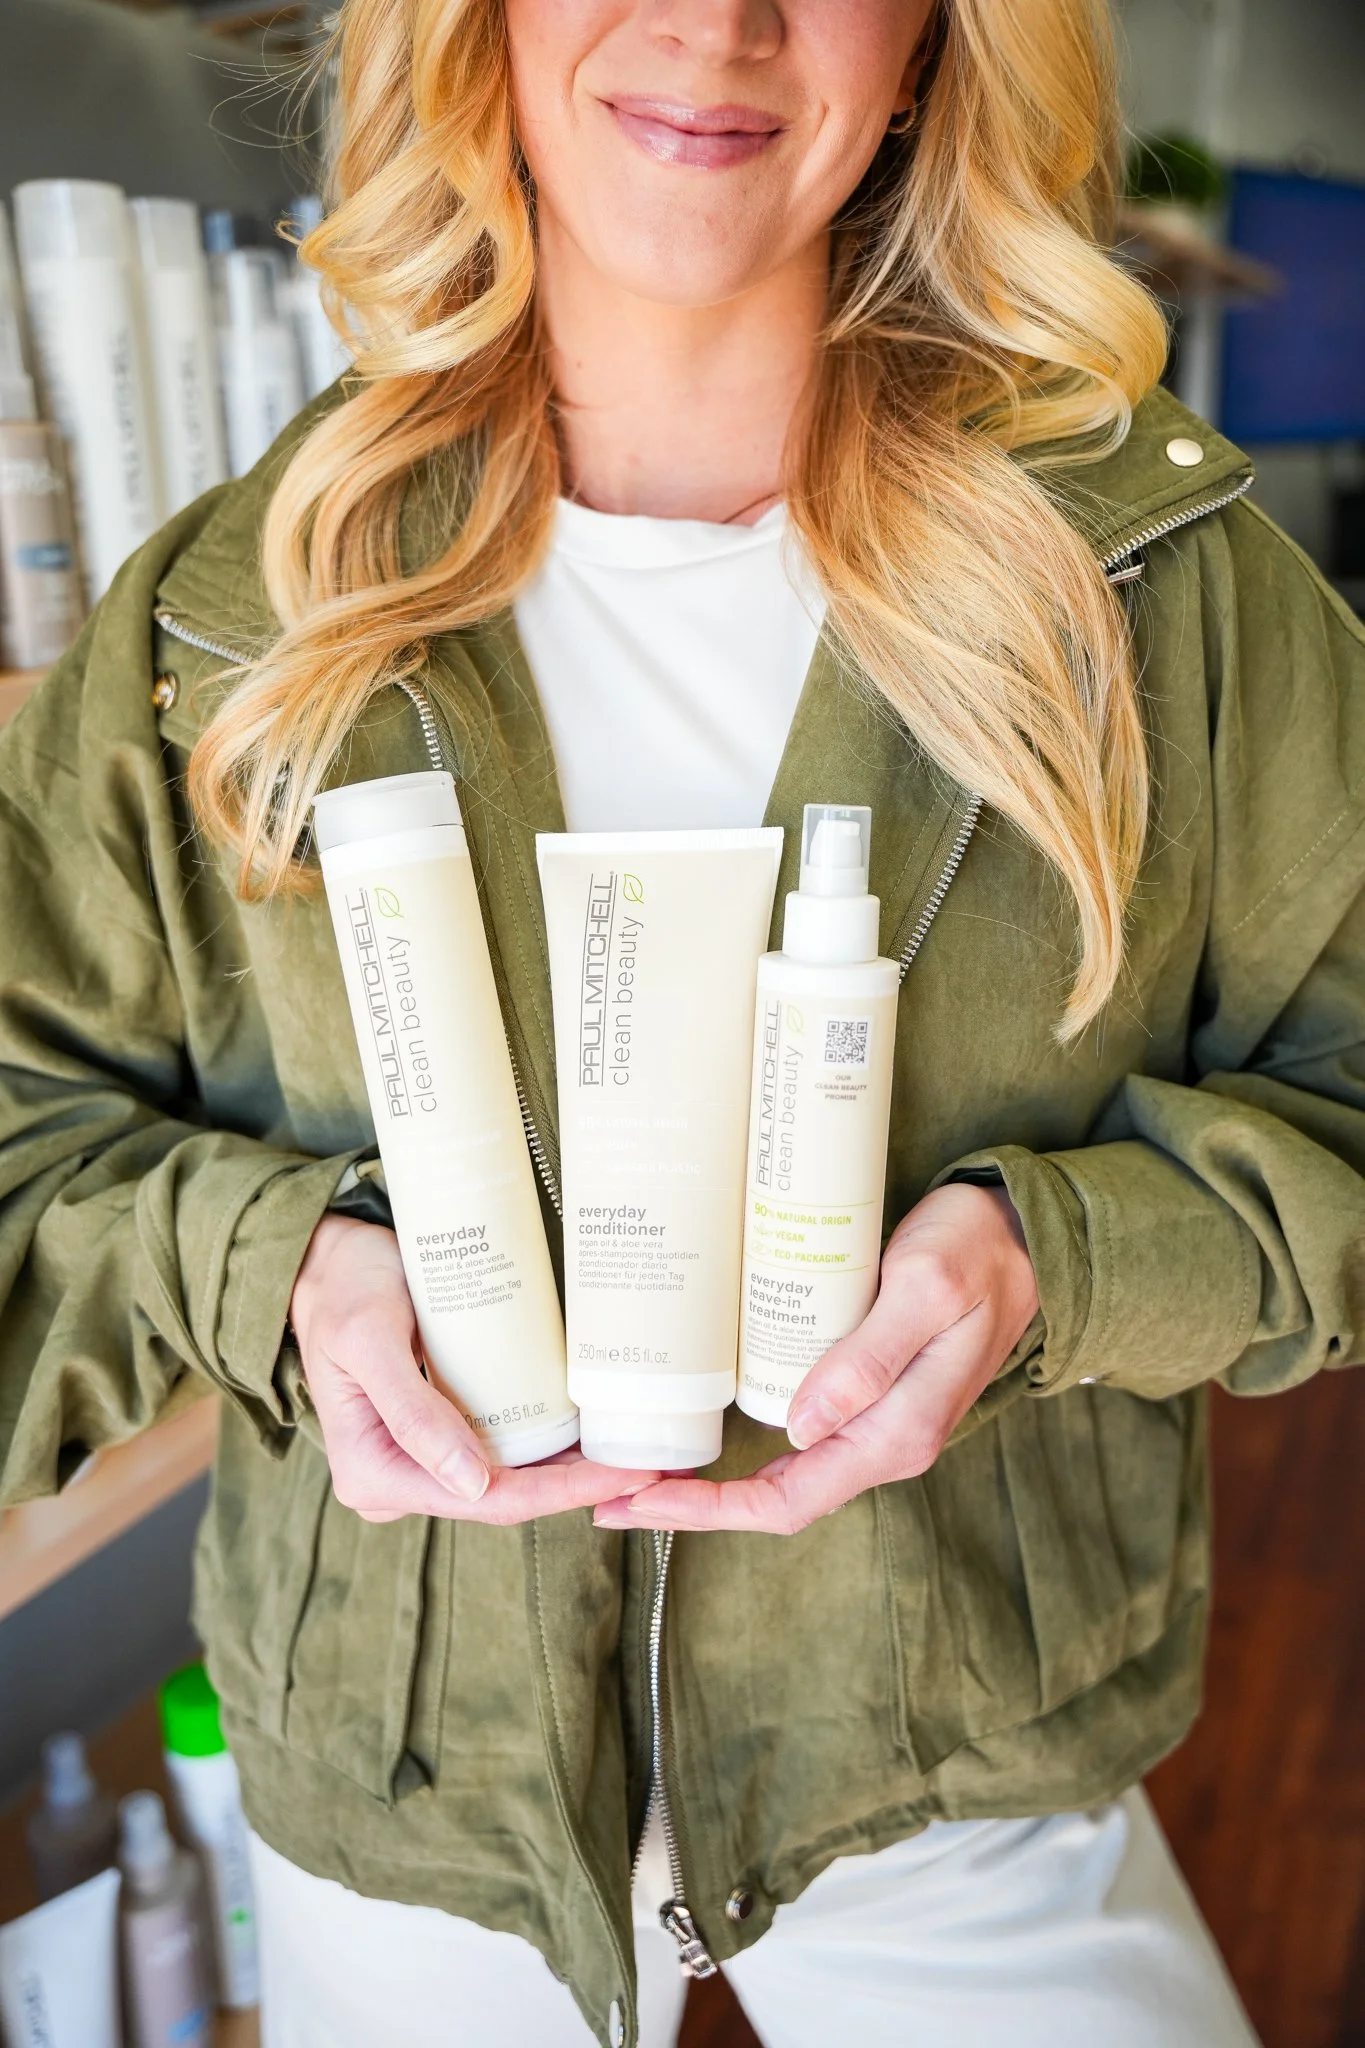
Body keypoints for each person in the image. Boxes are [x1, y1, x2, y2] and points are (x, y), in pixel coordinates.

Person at [1, 0, 1361, 2042]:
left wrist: (1051, 1262)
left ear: (927, 43)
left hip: (963, 1771)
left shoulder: (1154, 592)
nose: (714, 22)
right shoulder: (230, 621)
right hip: (410, 1798)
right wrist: (277, 1276)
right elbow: (30, 1143)